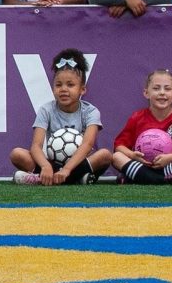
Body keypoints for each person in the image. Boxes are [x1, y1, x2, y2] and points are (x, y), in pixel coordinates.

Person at [11, 47, 105, 185]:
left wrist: (67, 169)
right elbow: (36, 146)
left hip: (79, 162)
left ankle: (44, 179)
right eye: (58, 85)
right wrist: (45, 166)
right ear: (53, 88)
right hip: (52, 163)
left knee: (105, 156)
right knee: (17, 154)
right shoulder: (46, 110)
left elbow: (87, 144)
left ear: (82, 89)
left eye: (70, 85)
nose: (64, 89)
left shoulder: (91, 112)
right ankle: (76, 178)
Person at [111, 68, 172, 184]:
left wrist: (170, 158)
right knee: (116, 157)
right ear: (146, 93)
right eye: (156, 88)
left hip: (167, 166)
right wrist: (132, 155)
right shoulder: (137, 117)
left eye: (167, 89)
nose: (162, 92)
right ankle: (160, 180)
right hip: (141, 164)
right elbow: (119, 146)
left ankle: (136, 177)